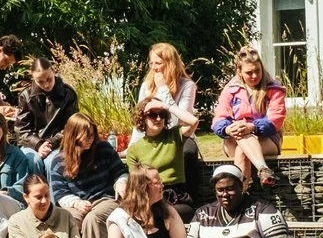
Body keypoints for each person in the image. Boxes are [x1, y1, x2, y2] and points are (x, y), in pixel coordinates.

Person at [209, 48, 288, 191]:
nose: (254, 75)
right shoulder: (229, 90)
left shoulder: (274, 89)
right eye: (249, 72)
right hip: (233, 137)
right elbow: (219, 116)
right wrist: (227, 128)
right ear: (239, 72)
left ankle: (239, 196)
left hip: (266, 139)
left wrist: (252, 127)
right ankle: (263, 169)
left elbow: (276, 119)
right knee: (241, 137)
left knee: (242, 151)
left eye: (257, 70)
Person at [43, 113, 126, 238]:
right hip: (78, 202)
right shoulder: (59, 161)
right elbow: (60, 194)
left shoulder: (103, 149)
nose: (90, 140)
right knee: (68, 219)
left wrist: (121, 182)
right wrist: (76, 203)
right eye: (86, 136)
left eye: (92, 135)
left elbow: (120, 172)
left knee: (92, 219)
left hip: (106, 199)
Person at [120, 99, 192, 205]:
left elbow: (193, 121)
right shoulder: (134, 149)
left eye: (162, 114)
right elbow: (136, 182)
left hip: (176, 196)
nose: (158, 119)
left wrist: (166, 106)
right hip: (150, 197)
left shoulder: (174, 135)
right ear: (142, 118)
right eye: (153, 115)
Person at [13, 52, 79, 157]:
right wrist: (38, 144)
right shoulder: (25, 95)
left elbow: (71, 127)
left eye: (49, 79)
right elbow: (22, 129)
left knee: (53, 162)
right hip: (31, 144)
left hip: (60, 143)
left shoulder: (68, 94)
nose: (46, 84)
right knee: (32, 160)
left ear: (53, 71)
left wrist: (50, 143)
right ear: (33, 78)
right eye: (40, 81)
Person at [135, 41, 200, 134]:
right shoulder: (147, 85)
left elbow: (178, 122)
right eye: (151, 63)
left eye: (158, 63)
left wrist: (163, 89)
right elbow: (140, 121)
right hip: (152, 138)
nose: (153, 68)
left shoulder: (187, 85)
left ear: (170, 64)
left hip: (177, 137)